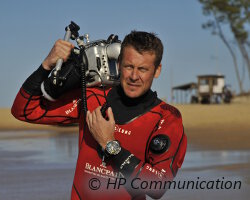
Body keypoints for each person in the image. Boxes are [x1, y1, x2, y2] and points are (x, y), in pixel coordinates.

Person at [12, 31, 187, 200]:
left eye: (143, 69)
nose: (134, 76)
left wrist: (109, 144)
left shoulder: (166, 118)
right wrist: (46, 66)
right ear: (118, 64)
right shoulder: (92, 98)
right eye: (128, 66)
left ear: (157, 70)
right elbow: (24, 110)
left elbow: (157, 187)